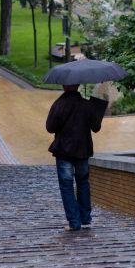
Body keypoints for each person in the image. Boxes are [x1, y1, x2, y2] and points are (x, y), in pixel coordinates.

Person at [46, 84, 108, 231]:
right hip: (83, 150)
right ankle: (85, 218)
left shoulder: (59, 104)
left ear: (63, 85)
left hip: (64, 151)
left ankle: (74, 222)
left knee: (67, 186)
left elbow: (50, 127)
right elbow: (96, 127)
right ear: (78, 85)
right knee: (83, 183)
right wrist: (93, 106)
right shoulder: (86, 104)